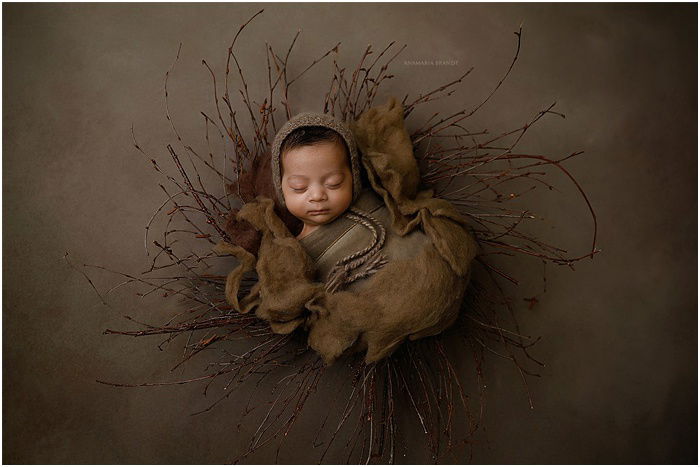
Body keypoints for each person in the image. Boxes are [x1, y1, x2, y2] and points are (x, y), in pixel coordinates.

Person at [218, 97, 478, 364]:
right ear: (281, 189)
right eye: (299, 187)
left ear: (353, 177)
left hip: (432, 276)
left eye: (333, 183)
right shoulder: (292, 250)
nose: (317, 195)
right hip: (381, 315)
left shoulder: (374, 199)